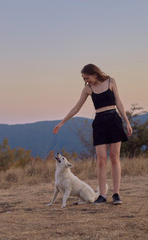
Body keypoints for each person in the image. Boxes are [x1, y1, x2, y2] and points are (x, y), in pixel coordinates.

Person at [53, 64, 133, 205]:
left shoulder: (111, 81)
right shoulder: (87, 89)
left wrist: (127, 122)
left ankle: (116, 194)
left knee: (114, 158)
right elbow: (76, 107)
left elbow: (119, 103)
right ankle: (102, 195)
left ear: (94, 74)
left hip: (114, 120)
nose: (86, 81)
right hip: (99, 123)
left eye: (87, 77)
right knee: (101, 160)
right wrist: (61, 123)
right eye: (84, 78)